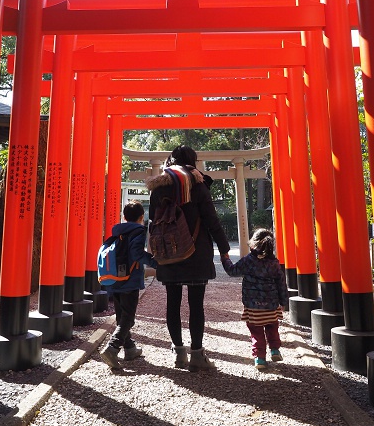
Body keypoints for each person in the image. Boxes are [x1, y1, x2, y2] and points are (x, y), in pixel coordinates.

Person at [146, 145, 231, 371]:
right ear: (193, 160)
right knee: (196, 305)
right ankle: (197, 355)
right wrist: (224, 249)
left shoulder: (158, 187)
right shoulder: (198, 184)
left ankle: (178, 353)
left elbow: (153, 222)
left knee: (172, 303)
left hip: (168, 251)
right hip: (195, 251)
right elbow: (211, 220)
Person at [221, 228, 288, 371]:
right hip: (271, 304)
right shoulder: (274, 263)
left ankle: (260, 358)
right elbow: (281, 283)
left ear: (253, 244)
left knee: (256, 331)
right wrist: (283, 301)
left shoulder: (248, 261)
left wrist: (225, 259)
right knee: (272, 326)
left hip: (253, 305)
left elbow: (232, 271)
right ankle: (275, 350)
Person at [100, 201, 154, 370]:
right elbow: (137, 253)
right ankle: (112, 348)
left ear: (124, 217)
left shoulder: (117, 232)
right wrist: (155, 262)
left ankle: (129, 349)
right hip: (129, 280)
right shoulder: (138, 231)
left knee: (121, 315)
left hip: (114, 278)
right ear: (141, 217)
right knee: (128, 317)